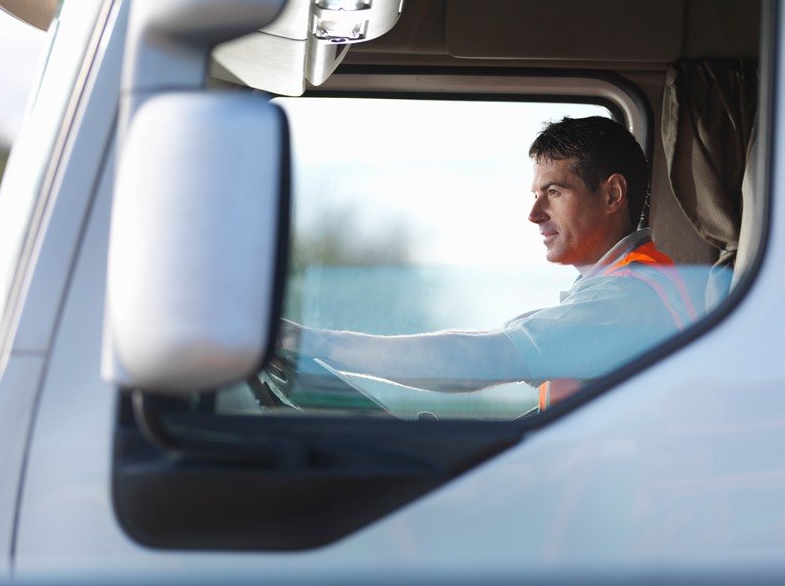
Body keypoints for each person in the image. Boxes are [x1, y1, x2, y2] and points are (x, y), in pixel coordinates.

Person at [278, 116, 698, 410]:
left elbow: (470, 361)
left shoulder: (624, 299)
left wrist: (317, 344)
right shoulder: (635, 281)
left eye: (554, 191)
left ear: (612, 195)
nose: (534, 214)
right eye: (535, 194)